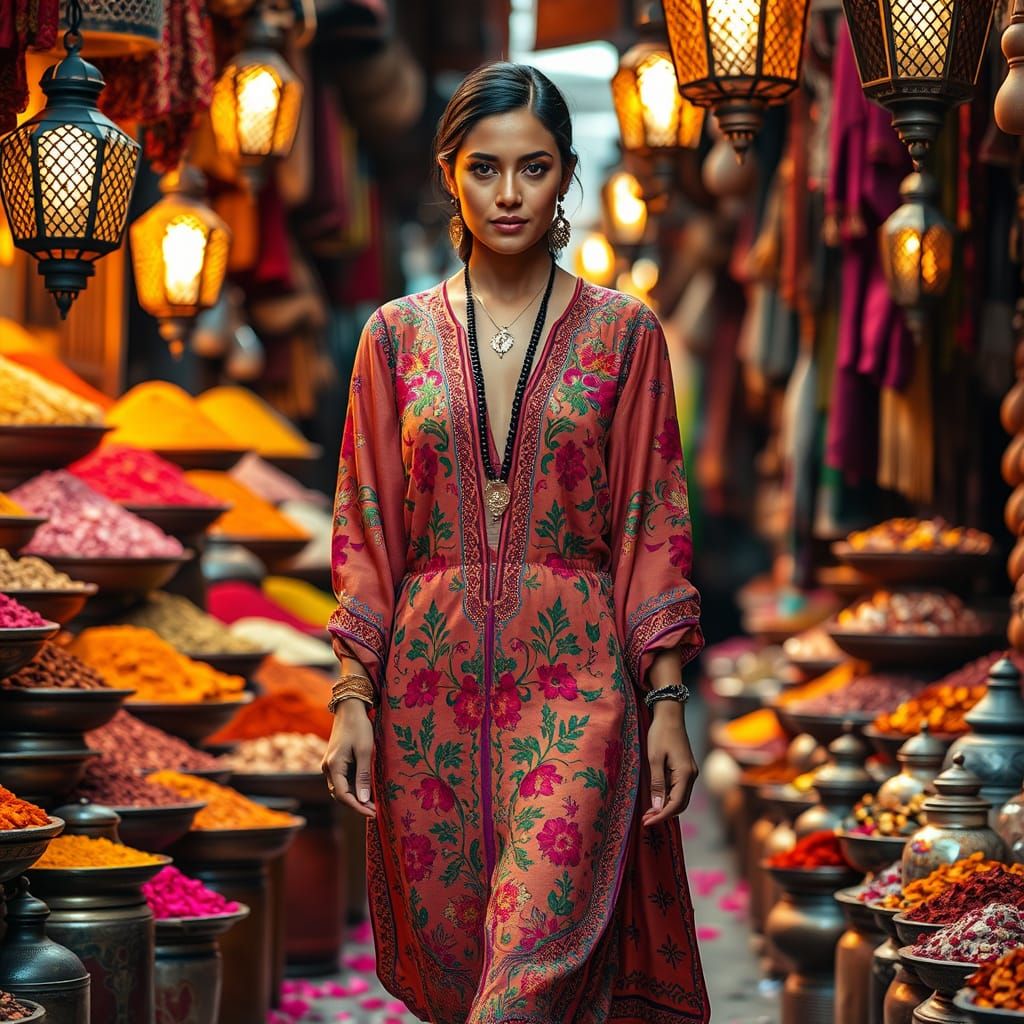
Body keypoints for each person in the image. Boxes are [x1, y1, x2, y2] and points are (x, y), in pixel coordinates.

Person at [322, 61, 709, 1024]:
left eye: (533, 169)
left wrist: (664, 698)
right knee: (463, 981)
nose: (508, 194)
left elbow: (652, 518)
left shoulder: (626, 334)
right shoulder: (394, 339)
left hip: (580, 690)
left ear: (566, 175)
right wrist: (351, 697)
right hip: (428, 697)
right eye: (485, 169)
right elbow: (364, 523)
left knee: (525, 980)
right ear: (451, 172)